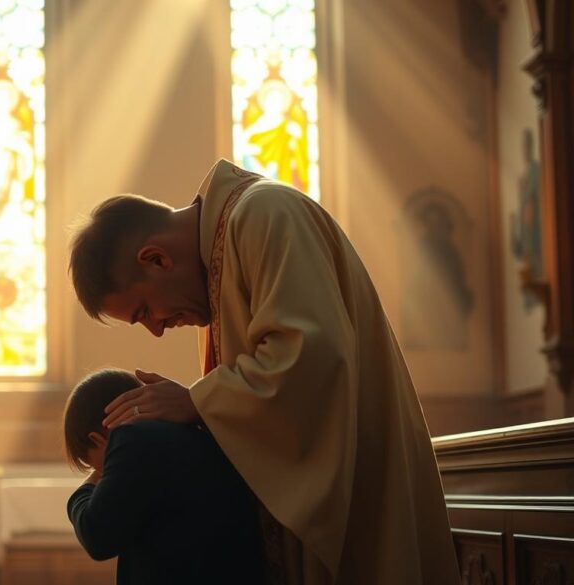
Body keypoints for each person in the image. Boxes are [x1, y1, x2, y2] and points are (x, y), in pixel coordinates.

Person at [68, 159, 461, 584]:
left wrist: (195, 401)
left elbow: (314, 357)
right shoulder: (218, 268)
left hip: (364, 495)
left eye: (144, 311)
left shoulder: (265, 214)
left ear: (157, 259)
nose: (157, 330)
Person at [63, 368, 265, 585]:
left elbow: (97, 535)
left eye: (96, 466)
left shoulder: (132, 440)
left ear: (97, 439)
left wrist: (83, 492)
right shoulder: (197, 433)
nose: (103, 475)